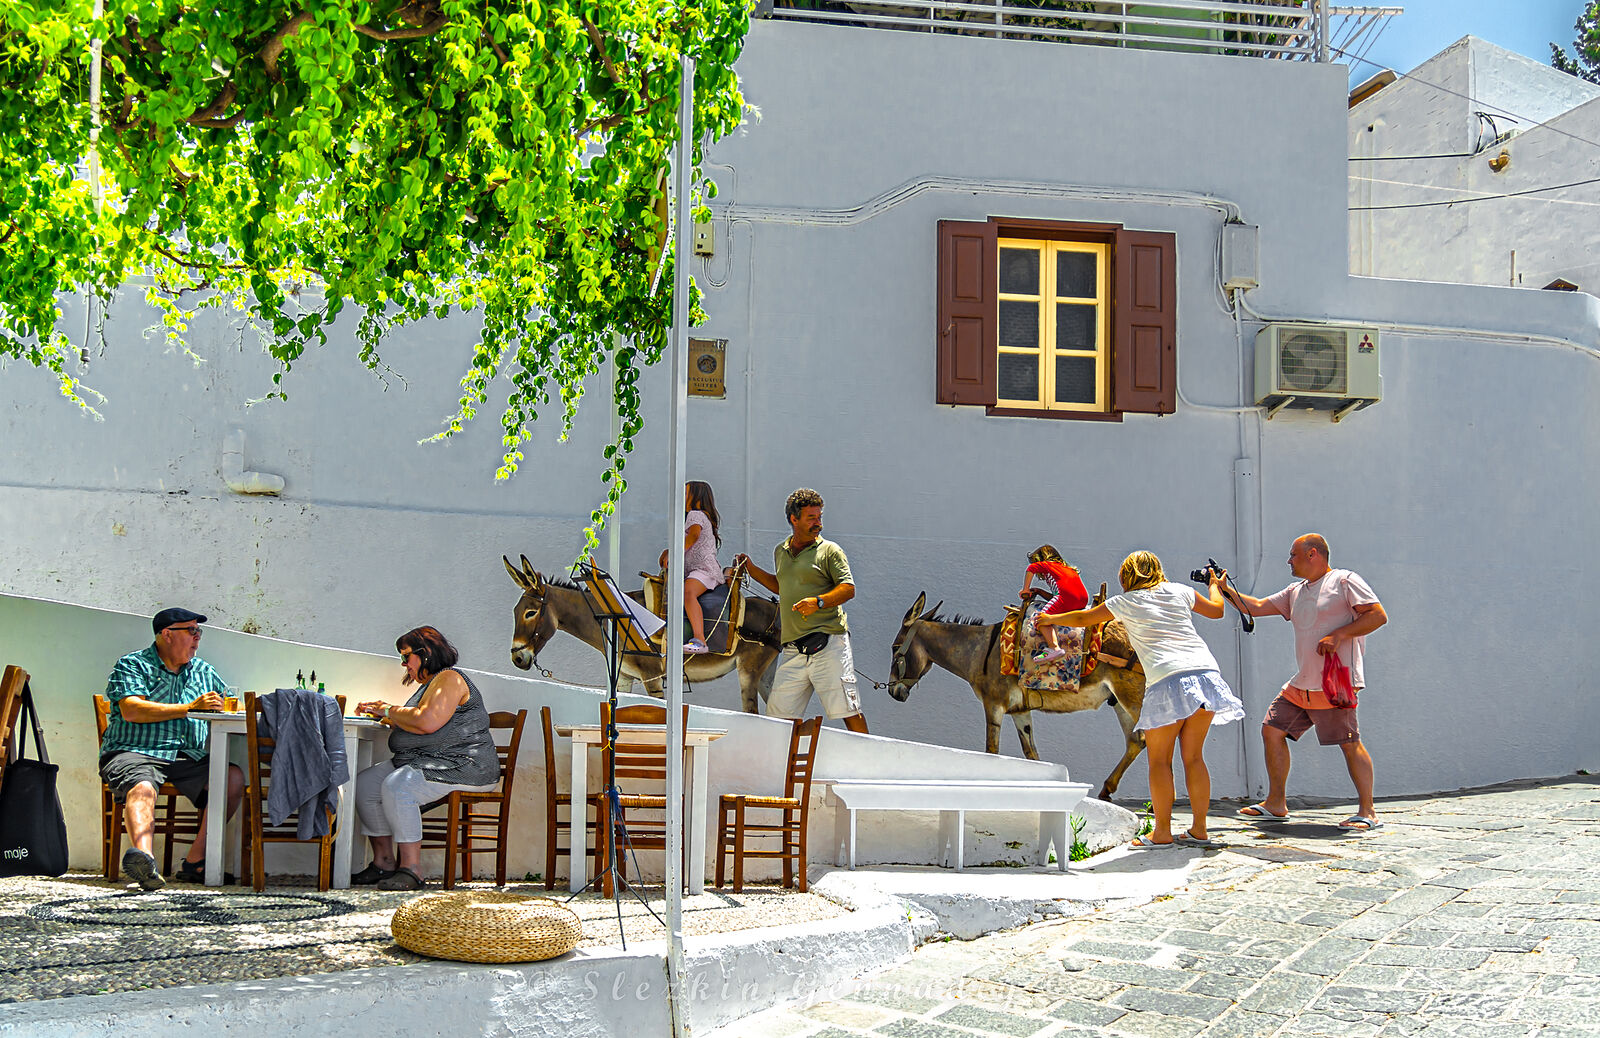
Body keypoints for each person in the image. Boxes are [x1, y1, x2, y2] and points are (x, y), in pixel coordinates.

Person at [1037, 551, 1244, 849]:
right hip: (1205, 675)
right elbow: (1216, 610)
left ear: (1126, 576)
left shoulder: (1126, 601)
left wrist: (1050, 618)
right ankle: (1199, 830)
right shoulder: (1181, 591)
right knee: (1195, 757)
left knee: (1159, 761)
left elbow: (1084, 618)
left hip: (1168, 679)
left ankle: (1161, 833)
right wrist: (1214, 585)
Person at [1221, 533, 1388, 830]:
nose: (1288, 561)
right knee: (1271, 730)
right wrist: (1223, 590)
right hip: (1302, 685)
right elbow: (1256, 607)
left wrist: (1339, 635)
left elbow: (1377, 616)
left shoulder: (1345, 581)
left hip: (1334, 684)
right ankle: (1276, 803)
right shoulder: (1295, 591)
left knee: (1350, 743)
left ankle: (1368, 812)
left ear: (1313, 554)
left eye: (1293, 555)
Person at [99, 607, 246, 890]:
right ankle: (145, 862)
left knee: (233, 777)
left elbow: (229, 704)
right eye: (191, 631)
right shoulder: (133, 664)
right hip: (135, 751)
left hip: (187, 756)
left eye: (199, 632)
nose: (197, 638)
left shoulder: (204, 671)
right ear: (167, 634)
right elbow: (131, 709)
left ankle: (196, 861)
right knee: (142, 787)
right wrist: (189, 708)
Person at [353, 627, 499, 890]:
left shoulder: (450, 679)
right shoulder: (430, 686)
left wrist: (388, 709)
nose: (403, 664)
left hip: (462, 765)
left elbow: (427, 722)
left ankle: (411, 869)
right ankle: (384, 861)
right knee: (365, 786)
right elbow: (415, 720)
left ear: (426, 653)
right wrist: (385, 715)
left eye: (407, 657)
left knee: (399, 786)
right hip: (427, 760)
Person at [734, 488, 869, 734]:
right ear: (793, 519)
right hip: (794, 649)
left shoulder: (830, 551)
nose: (818, 523)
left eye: (819, 517)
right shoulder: (780, 551)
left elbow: (848, 589)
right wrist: (752, 570)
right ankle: (781, 770)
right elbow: (782, 586)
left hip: (829, 644)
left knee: (849, 711)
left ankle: (870, 766)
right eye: (811, 518)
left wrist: (818, 602)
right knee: (777, 719)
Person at [659, 480, 723, 654]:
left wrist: (673, 554)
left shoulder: (695, 515)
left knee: (688, 592)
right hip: (698, 570)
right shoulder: (698, 516)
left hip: (704, 570)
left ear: (697, 497)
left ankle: (700, 639)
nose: (682, 497)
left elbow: (693, 536)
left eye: (686, 493)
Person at [1019, 545, 1088, 663]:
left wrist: (1025, 589)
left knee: (1040, 618)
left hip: (1066, 598)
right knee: (1053, 611)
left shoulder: (1048, 565)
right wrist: (1040, 592)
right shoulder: (1066, 569)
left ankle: (1053, 648)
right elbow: (1057, 597)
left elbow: (1031, 568)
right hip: (1082, 600)